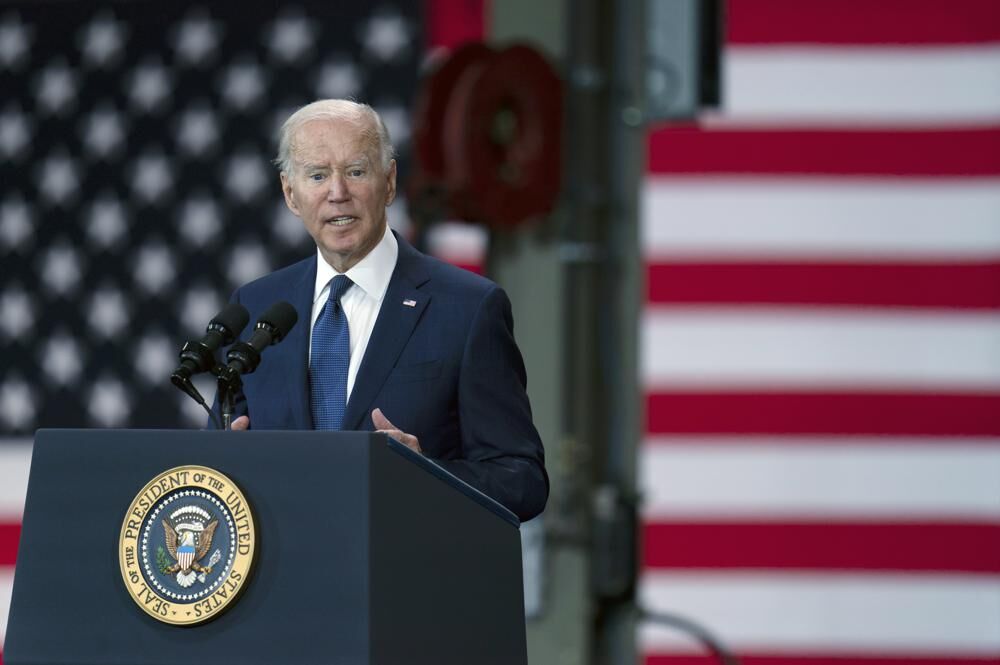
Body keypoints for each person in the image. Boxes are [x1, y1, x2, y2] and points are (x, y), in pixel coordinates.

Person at [215, 99, 548, 522]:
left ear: (389, 182)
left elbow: (523, 480)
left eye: (356, 171)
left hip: (403, 577)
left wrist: (429, 475)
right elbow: (221, 454)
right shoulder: (255, 307)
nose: (338, 193)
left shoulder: (467, 308)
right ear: (290, 193)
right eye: (318, 175)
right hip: (287, 579)